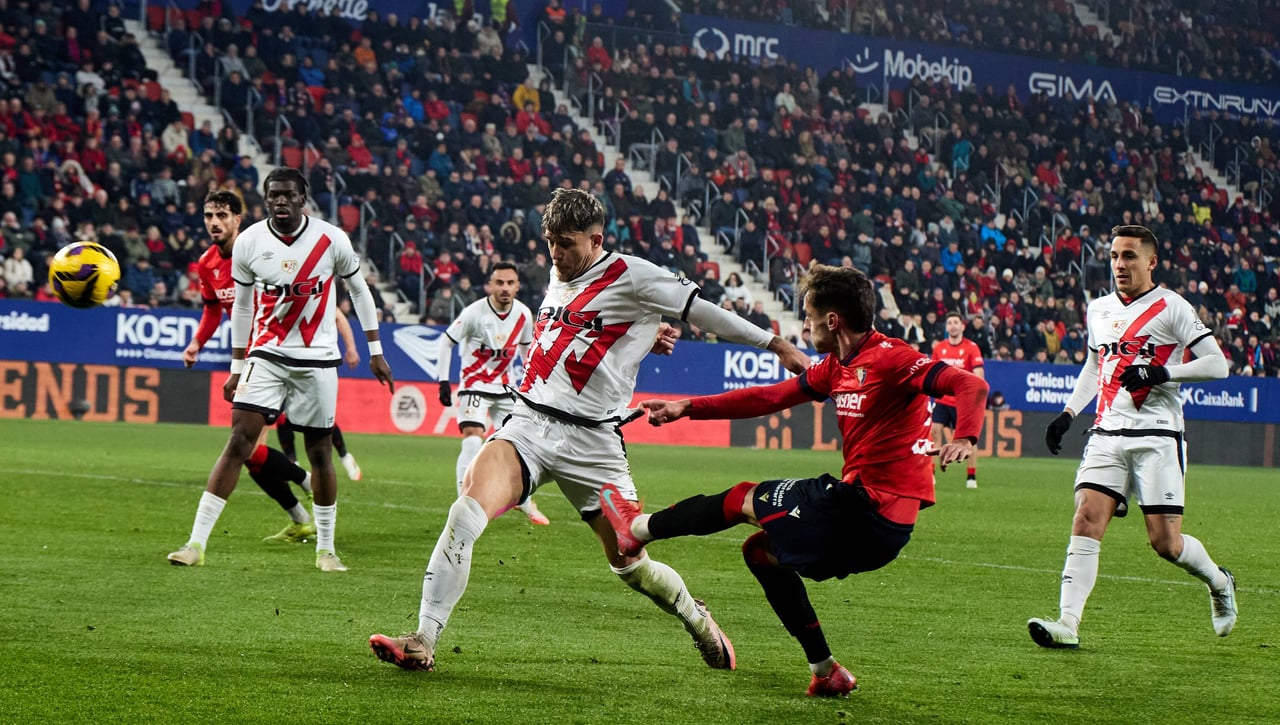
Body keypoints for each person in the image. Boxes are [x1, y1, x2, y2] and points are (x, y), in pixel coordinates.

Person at [368, 188, 810, 672]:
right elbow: (580, 332)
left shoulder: (632, 274)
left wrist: (774, 343)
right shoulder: (561, 273)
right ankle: (424, 639)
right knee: (464, 512)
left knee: (630, 565)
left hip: (594, 444)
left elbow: (702, 312)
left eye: (567, 244)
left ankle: (695, 615)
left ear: (596, 240)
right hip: (529, 425)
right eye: (551, 242)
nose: (556, 254)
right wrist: (642, 335)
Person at [598, 264, 989, 696]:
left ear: (832, 320)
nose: (805, 325)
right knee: (762, 553)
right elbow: (769, 397)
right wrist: (688, 407)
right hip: (873, 527)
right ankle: (826, 671)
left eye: (809, 316)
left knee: (743, 498)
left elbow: (970, 386)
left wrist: (965, 437)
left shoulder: (891, 358)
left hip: (868, 508)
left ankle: (637, 530)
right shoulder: (836, 367)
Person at [167, 168, 394, 571]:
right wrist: (237, 367)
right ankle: (195, 544)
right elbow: (241, 307)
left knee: (319, 453)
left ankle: (326, 550)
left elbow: (359, 291)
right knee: (239, 441)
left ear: (303, 199)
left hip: (317, 360)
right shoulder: (250, 242)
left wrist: (374, 350)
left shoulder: (331, 239)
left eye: (289, 194)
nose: (281, 201)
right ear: (266, 198)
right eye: (274, 195)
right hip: (266, 355)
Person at [1031, 225, 1236, 648]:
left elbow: (1218, 365)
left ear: (1151, 262)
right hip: (1106, 432)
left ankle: (1219, 582)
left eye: (1129, 256)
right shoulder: (1099, 309)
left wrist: (1162, 372)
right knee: (1086, 517)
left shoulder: (1172, 307)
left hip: (1157, 435)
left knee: (1166, 543)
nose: (1119, 264)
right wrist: (1068, 413)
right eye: (1114, 256)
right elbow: (1095, 365)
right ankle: (1068, 624)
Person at [174, 189, 317, 549]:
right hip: (248, 360)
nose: (214, 222)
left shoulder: (259, 252)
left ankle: (309, 485)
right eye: (209, 216)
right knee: (250, 456)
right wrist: (197, 342)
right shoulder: (207, 263)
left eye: (222, 215)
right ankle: (301, 516)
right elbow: (212, 308)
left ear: (238, 220)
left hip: (275, 357)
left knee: (245, 449)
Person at [435, 261, 549, 526]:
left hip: (505, 388)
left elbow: (526, 352)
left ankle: (524, 500)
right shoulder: (474, 313)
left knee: (519, 448)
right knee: (473, 439)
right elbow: (446, 341)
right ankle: (462, 503)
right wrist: (443, 381)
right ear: (490, 285)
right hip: (474, 384)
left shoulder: (523, 314)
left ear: (517, 286)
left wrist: (532, 385)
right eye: (499, 283)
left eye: (510, 283)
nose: (505, 288)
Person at [276, 312, 364, 482]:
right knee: (282, 414)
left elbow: (339, 317)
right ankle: (292, 463)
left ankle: (345, 456)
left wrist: (351, 348)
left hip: (320, 362)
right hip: (289, 360)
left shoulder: (320, 297)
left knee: (322, 417)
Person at [930, 312, 985, 488]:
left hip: (962, 402)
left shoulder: (972, 348)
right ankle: (930, 475)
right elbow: (932, 373)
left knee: (967, 440)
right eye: (949, 323)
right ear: (946, 327)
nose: (952, 325)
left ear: (962, 326)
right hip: (943, 400)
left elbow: (979, 375)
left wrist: (973, 397)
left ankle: (971, 477)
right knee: (934, 432)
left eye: (955, 322)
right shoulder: (939, 348)